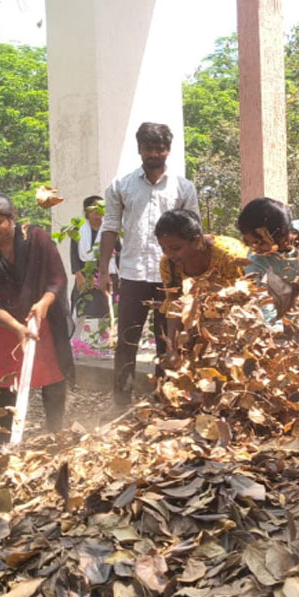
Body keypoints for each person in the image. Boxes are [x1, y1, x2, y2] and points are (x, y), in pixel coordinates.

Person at [97, 123, 200, 406]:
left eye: (160, 148)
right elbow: (110, 226)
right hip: (132, 274)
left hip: (172, 277)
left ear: (168, 149)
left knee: (168, 340)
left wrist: (193, 275)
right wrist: (104, 269)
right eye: (148, 148)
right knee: (126, 341)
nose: (154, 153)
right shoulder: (121, 186)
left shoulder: (183, 187)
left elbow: (194, 230)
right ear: (139, 148)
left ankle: (165, 400)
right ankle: (121, 402)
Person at [0, 192, 74, 440]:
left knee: (52, 376)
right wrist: (15, 327)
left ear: (12, 218)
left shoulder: (36, 238)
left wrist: (44, 303)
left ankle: (56, 433)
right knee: (3, 384)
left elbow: (57, 278)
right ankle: (5, 442)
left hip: (38, 318)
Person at [155, 209, 248, 364]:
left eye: (176, 248)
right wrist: (172, 347)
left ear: (196, 241)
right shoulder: (168, 264)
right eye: (163, 248)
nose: (169, 254)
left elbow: (244, 305)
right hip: (198, 326)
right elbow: (175, 304)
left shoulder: (230, 256)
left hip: (234, 325)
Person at [238, 196, 299, 288]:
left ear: (281, 234)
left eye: (259, 242)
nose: (256, 249)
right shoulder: (255, 261)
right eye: (248, 242)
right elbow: (255, 291)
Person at [70, 195, 118, 321]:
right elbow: (74, 255)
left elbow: (119, 252)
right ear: (86, 210)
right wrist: (79, 276)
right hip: (85, 276)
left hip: (107, 276)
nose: (97, 210)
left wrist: (121, 277)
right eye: (94, 207)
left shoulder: (110, 229)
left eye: (101, 207)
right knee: (83, 311)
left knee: (107, 311)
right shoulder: (77, 229)